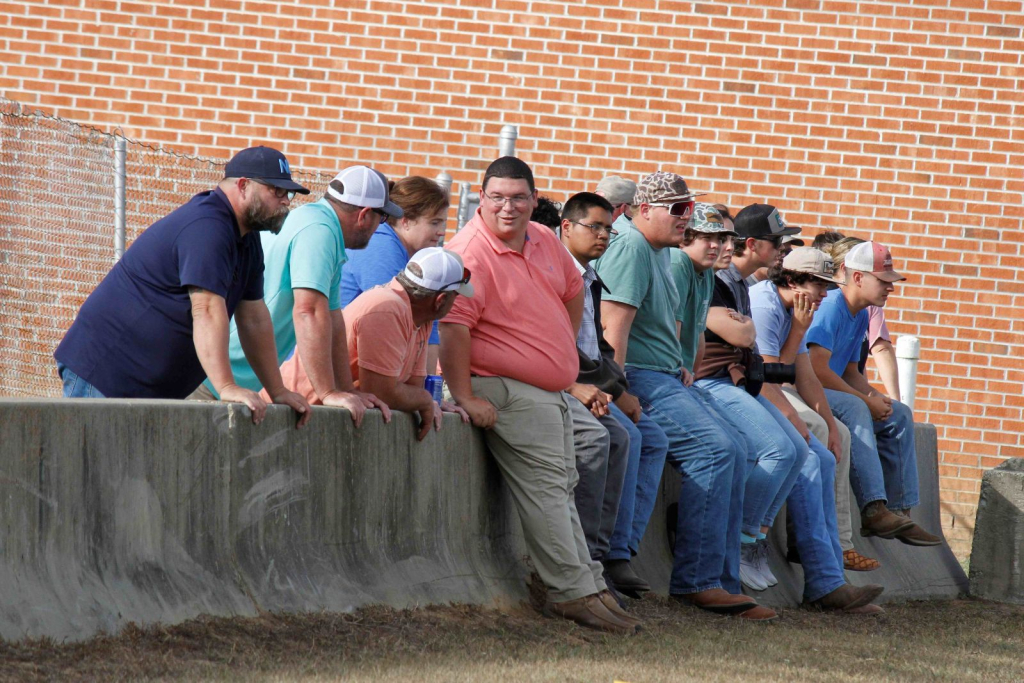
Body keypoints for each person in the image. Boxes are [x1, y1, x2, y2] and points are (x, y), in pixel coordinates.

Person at [440, 157, 640, 634]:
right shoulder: (468, 252)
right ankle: (572, 594)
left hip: (549, 389)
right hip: (505, 389)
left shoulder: (546, 239)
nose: (507, 207)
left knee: (564, 483)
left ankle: (589, 584)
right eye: (496, 197)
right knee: (550, 489)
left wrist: (557, 357)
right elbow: (453, 330)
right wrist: (465, 395)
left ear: (533, 199)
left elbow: (573, 292)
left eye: (518, 197)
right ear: (481, 198)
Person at [595, 172, 775, 621]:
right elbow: (611, 330)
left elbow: (673, 330)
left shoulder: (658, 251)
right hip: (639, 376)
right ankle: (696, 581)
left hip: (663, 375)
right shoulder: (632, 246)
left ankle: (721, 581)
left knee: (736, 447)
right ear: (646, 209)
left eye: (688, 209)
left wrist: (677, 364)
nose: (687, 219)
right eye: (679, 210)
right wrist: (618, 391)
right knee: (715, 451)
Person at [54, 146, 311, 427]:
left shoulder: (246, 238)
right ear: (243, 186)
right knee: (104, 470)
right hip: (107, 374)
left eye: (289, 193)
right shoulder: (208, 227)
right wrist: (226, 386)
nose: (286, 201)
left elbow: (254, 320)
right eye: (277, 191)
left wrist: (278, 391)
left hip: (148, 388)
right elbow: (208, 311)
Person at [198, 165, 396, 427]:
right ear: (365, 215)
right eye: (382, 218)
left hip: (230, 379)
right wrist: (327, 392)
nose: (378, 229)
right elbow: (309, 312)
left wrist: (346, 388)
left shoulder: (321, 225)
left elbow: (333, 318)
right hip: (210, 377)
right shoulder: (319, 231)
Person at [749, 248, 886, 612]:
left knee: (825, 450)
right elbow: (766, 377)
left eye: (828, 286)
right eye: (818, 285)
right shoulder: (764, 304)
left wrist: (830, 425)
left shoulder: (798, 310)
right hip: (739, 389)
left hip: (765, 386)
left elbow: (801, 372)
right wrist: (801, 422)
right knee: (811, 449)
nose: (825, 295)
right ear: (792, 281)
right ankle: (760, 545)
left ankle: (828, 580)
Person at [558, 192, 669, 600]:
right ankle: (592, 559)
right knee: (618, 436)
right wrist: (592, 390)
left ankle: (616, 553)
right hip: (561, 382)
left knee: (650, 437)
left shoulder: (589, 276)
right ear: (566, 227)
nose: (604, 235)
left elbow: (600, 348)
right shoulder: (556, 272)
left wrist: (617, 389)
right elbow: (557, 346)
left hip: (593, 383)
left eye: (608, 227)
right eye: (595, 227)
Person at [695, 203, 805, 592]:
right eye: (777, 242)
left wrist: (742, 327)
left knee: (797, 450)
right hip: (710, 382)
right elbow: (743, 336)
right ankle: (740, 542)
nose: (782, 249)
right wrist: (743, 327)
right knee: (776, 449)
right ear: (754, 244)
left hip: (735, 381)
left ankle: (756, 538)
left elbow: (745, 335)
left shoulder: (741, 285)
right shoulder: (715, 279)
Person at [805, 239, 941, 545]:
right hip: (805, 390)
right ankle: (873, 508)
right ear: (856, 277)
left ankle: (900, 513)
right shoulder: (830, 306)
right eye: (883, 281)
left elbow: (850, 372)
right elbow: (817, 368)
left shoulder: (861, 312)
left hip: (830, 388)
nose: (890, 288)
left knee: (899, 412)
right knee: (856, 409)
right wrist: (865, 400)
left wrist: (876, 396)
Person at [297, 248, 471, 440]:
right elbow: (382, 392)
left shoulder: (423, 316)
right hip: (298, 414)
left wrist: (431, 401)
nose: (456, 302)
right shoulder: (388, 308)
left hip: (322, 419)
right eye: (456, 296)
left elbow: (412, 387)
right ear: (440, 300)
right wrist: (425, 400)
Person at [335, 175, 450, 374]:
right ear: (405, 221)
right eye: (434, 223)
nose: (441, 232)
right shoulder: (380, 244)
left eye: (442, 224)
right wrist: (426, 396)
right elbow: (410, 314)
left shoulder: (402, 249)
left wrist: (429, 396)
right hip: (336, 368)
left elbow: (427, 324)